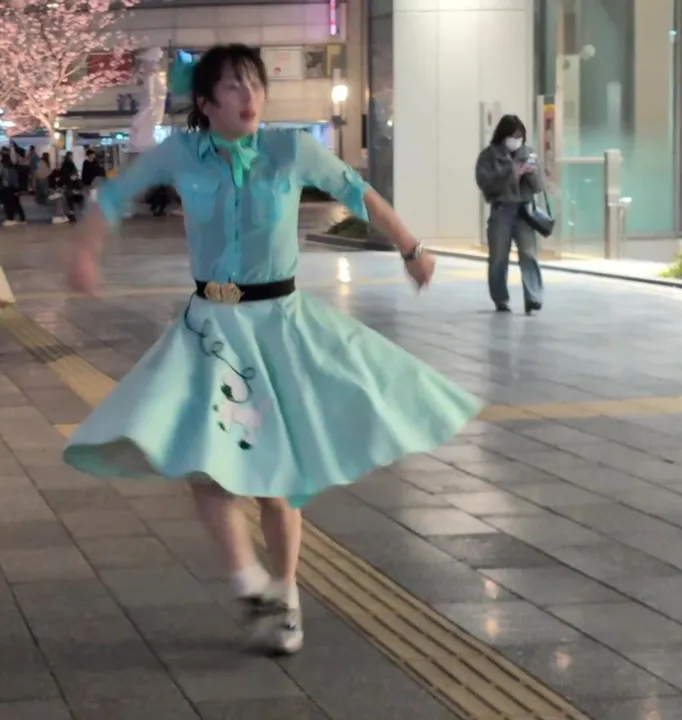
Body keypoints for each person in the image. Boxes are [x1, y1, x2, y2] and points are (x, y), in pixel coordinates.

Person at [64, 45, 481, 656]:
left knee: (276, 479)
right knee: (207, 467)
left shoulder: (290, 149)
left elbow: (357, 191)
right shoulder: (181, 153)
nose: (250, 96)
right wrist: (86, 252)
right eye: (234, 87)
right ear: (206, 103)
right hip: (210, 330)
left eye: (255, 84)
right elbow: (113, 194)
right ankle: (248, 581)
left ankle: (285, 594)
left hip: (279, 325)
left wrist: (411, 248)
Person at [476, 115, 544, 314]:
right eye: (513, 136)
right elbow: (485, 184)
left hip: (524, 212)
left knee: (528, 254)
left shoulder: (528, 153)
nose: (517, 141)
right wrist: (511, 173)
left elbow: (539, 187)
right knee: (498, 257)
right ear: (503, 135)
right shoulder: (488, 156)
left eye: (520, 136)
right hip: (501, 211)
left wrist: (531, 173)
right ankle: (500, 298)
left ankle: (533, 297)